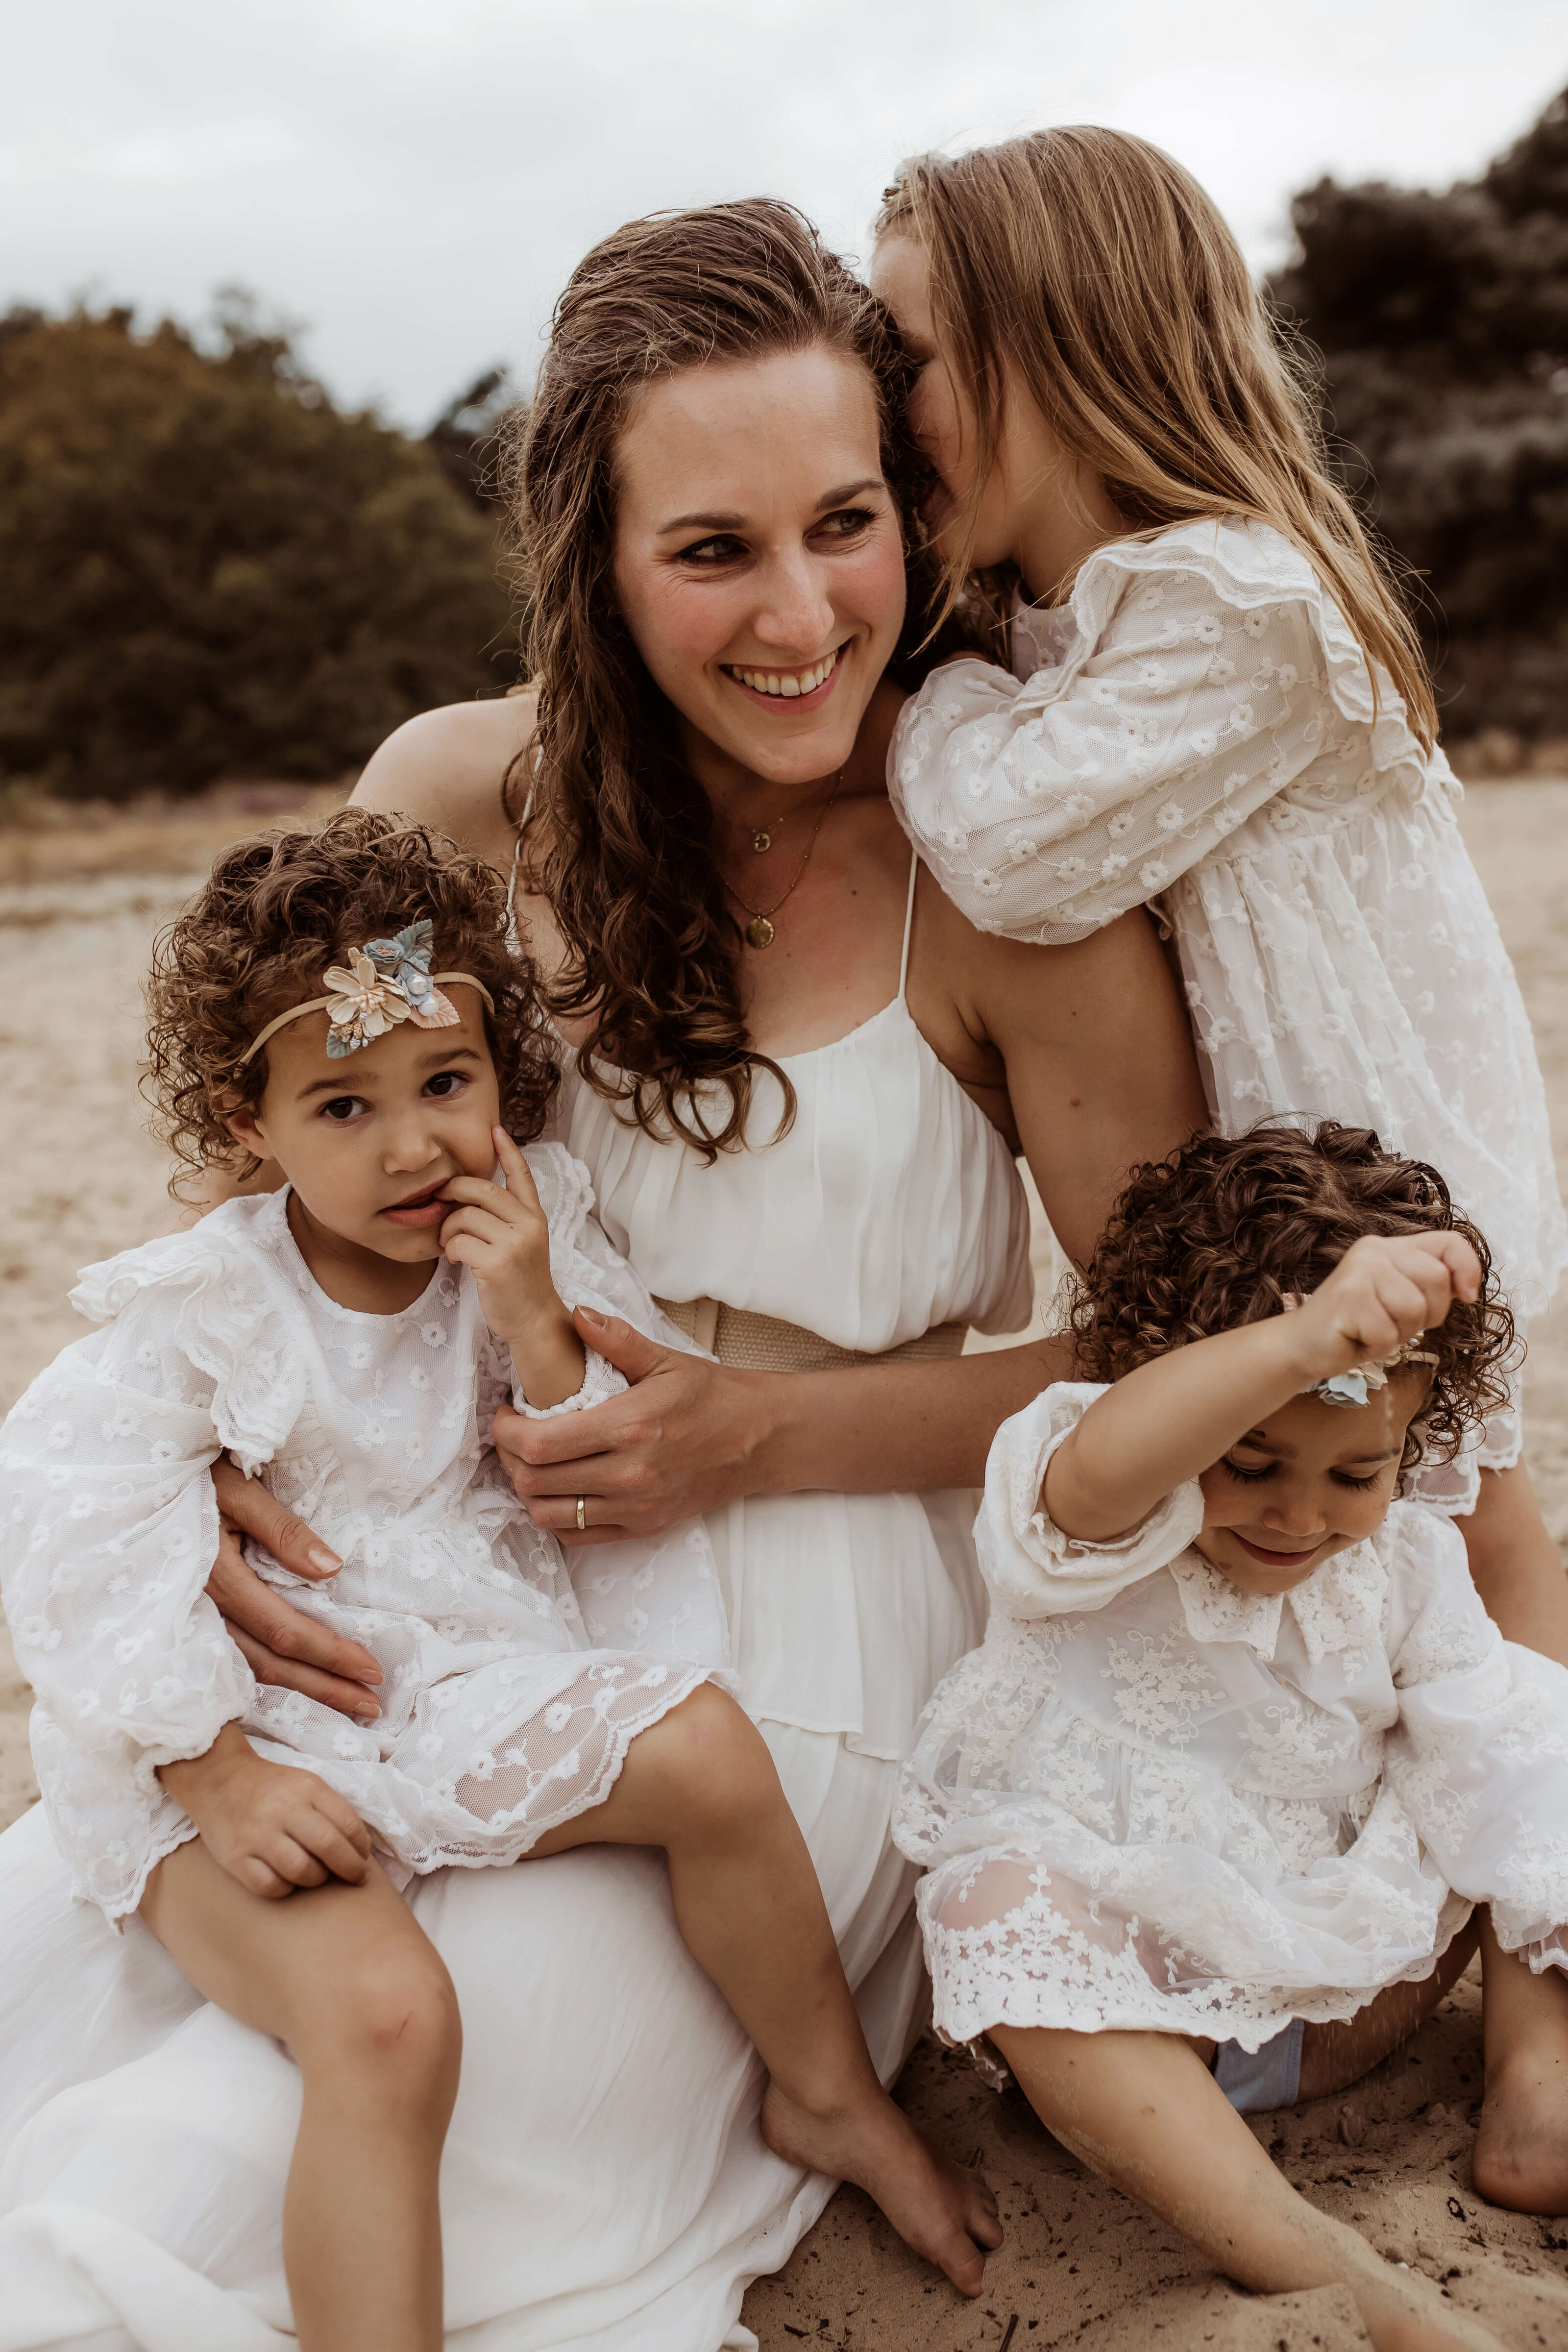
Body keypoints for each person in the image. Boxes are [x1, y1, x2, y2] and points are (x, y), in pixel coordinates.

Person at [0, 201, 1204, 2348]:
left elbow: (1166, 1342)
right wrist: (197, 1489)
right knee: (113, 1976)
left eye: (846, 523)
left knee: (354, 2100)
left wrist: (761, 1435)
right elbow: (288, 1157)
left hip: (827, 1609)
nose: (803, 612)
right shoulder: (456, 805)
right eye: (711, 548)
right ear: (595, 556)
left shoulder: (1011, 880)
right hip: (442, 1556)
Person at [870, 128, 1568, 1660]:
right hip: (1268, 1156)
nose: (880, 408)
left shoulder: (1233, 598)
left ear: (1049, 353)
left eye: (905, 356)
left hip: (1377, 1162)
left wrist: (913, 691)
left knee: (1459, 1524)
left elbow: (1011, 855)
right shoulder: (1070, 618)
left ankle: (1536, 1868)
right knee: (1296, 1549)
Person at [895, 1123, 1568, 2350]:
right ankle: (1339, 2273)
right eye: (1249, 1461)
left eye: (1355, 1475)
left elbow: (1510, 1768)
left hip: (1347, 1997)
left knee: (1526, 1721)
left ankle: (1541, 2094)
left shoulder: (1405, 1563)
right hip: (1126, 2019)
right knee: (989, 1901)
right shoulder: (1097, 1504)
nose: (1299, 1516)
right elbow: (1107, 1467)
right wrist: (1303, 1343)